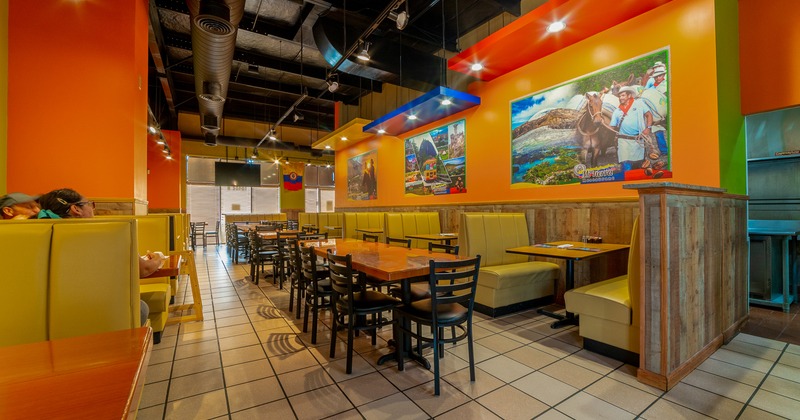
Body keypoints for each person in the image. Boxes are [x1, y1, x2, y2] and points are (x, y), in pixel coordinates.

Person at [37, 187, 160, 326]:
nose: (93, 209)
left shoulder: (38, 236)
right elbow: (143, 270)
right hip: (94, 311)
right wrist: (158, 259)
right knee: (141, 308)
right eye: (90, 204)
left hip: (41, 317)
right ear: (76, 209)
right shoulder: (106, 233)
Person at [610, 86, 658, 170]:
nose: (621, 98)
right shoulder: (617, 111)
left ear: (629, 96)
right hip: (623, 141)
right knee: (626, 165)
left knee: (639, 166)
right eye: (620, 96)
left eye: (623, 95)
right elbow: (612, 126)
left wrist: (648, 128)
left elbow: (649, 115)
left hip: (638, 140)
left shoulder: (639, 104)